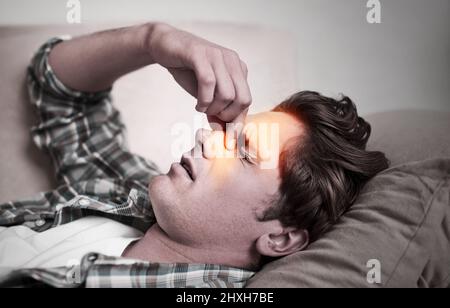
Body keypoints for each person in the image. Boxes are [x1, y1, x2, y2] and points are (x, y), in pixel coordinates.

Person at [0, 22, 389, 288]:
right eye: (227, 134)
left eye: (245, 155)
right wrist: (153, 39)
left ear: (282, 238)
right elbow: (60, 95)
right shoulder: (134, 196)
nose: (205, 136)